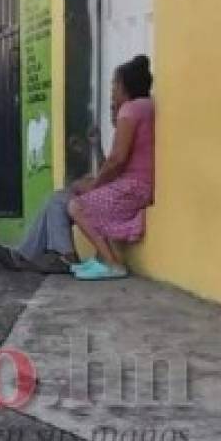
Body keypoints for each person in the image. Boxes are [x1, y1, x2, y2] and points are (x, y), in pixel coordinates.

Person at [0, 106, 113, 275]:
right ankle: (41, 255)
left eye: (113, 107)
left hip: (113, 193)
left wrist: (89, 181)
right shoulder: (119, 131)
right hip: (103, 190)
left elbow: (111, 174)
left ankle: (60, 256)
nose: (111, 113)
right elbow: (106, 170)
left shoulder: (129, 124)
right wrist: (95, 148)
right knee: (56, 199)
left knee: (57, 200)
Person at [66, 55, 156, 281]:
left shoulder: (130, 110)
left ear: (125, 86)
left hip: (133, 187)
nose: (112, 89)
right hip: (142, 185)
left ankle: (112, 263)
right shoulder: (147, 107)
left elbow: (117, 159)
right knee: (89, 199)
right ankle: (99, 259)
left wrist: (95, 186)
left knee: (76, 206)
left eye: (115, 84)